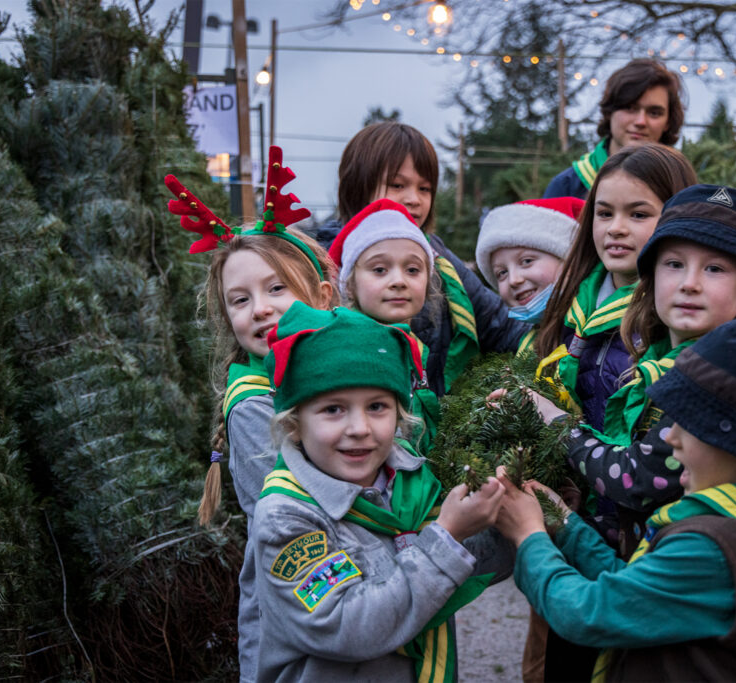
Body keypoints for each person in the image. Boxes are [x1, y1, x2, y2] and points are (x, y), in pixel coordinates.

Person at [495, 318, 736, 682]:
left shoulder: (715, 548)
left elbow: (589, 613)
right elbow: (634, 587)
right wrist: (564, 523)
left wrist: (529, 537)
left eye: (688, 423)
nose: (670, 439)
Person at [252, 303, 509, 682]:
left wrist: (522, 523)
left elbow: (470, 569)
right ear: (293, 424)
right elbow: (346, 627)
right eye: (333, 409)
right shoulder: (286, 517)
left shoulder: (413, 479)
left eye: (377, 407)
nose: (359, 428)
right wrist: (448, 536)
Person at [164, 147, 337, 683]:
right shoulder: (254, 404)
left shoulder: (338, 380)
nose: (259, 308)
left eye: (276, 288)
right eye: (239, 300)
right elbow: (294, 527)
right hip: (307, 614)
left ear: (323, 296)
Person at [528, 185, 736, 555]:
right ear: (651, 276)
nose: (690, 284)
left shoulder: (724, 375)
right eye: (674, 264)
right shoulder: (653, 360)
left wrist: (557, 424)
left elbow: (636, 478)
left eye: (715, 268)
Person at [529, 142, 696, 681]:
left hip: (642, 540)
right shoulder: (574, 303)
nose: (615, 228)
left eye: (638, 213)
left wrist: (557, 427)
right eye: (604, 213)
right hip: (578, 527)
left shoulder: (674, 320)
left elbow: (646, 472)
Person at [314, 121, 528, 394]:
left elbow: (499, 324)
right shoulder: (322, 263)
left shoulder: (437, 256)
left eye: (425, 188)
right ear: (358, 186)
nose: (414, 199)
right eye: (397, 185)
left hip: (434, 421)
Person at [328, 198, 443, 453]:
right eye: (380, 269)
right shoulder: (346, 350)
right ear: (349, 284)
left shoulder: (413, 344)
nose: (398, 281)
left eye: (412, 270)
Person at [543, 59, 686, 200]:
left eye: (654, 113)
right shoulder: (566, 187)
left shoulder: (680, 188)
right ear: (610, 112)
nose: (641, 122)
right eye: (630, 108)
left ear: (668, 121)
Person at [474, 196, 585, 353]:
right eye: (502, 273)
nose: (514, 280)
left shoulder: (600, 331)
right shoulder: (530, 344)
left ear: (570, 259)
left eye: (526, 261)